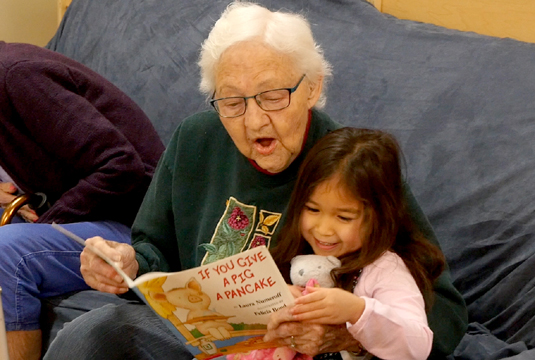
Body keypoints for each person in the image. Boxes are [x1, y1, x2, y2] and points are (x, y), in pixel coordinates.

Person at [43, 2, 467, 359]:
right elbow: (154, 251)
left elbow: (443, 311)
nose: (254, 120)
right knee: (89, 332)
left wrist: (347, 332)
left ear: (312, 88)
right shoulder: (196, 139)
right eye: (231, 101)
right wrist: (128, 266)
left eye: (272, 96)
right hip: (201, 336)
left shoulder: (346, 168)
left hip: (291, 348)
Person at [0, 41, 166, 360]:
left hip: (137, 222)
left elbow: (120, 165)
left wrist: (52, 219)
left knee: (7, 250)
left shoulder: (18, 78)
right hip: (89, 212)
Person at [241, 127, 446, 360]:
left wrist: (356, 310)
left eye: (344, 217)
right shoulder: (294, 253)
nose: (323, 229)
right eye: (312, 209)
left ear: (380, 216)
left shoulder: (385, 269)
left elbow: (418, 345)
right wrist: (272, 302)